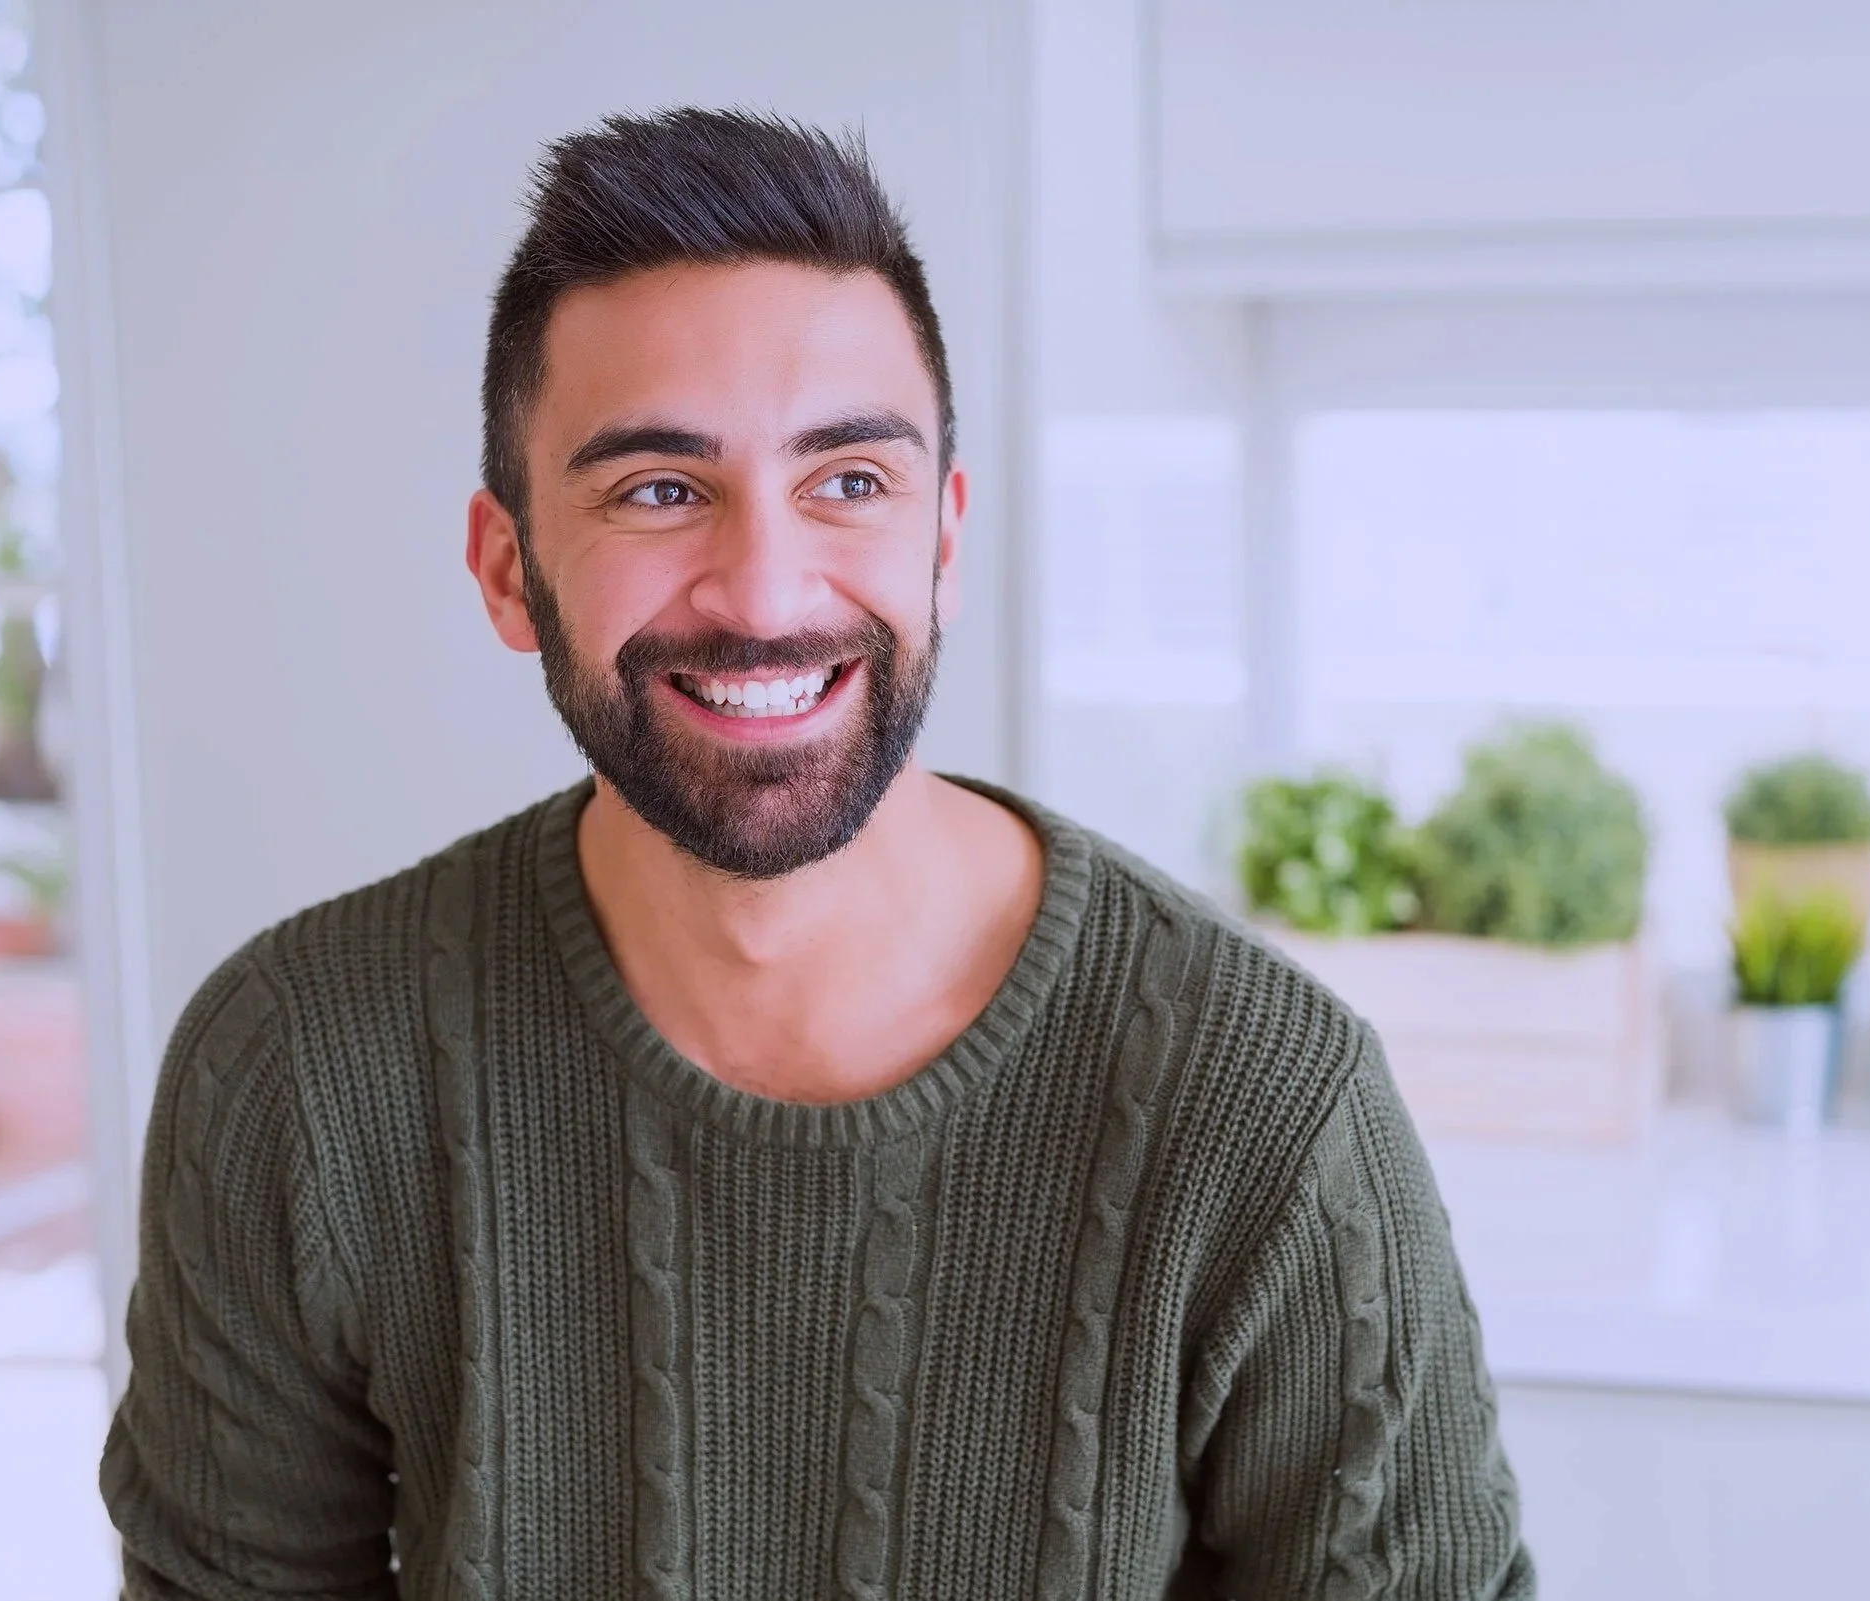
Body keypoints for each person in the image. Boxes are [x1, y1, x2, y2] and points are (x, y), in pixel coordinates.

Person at [100, 107, 1531, 1599]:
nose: (769, 588)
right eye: (660, 488)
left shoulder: (1267, 1107)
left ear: (945, 540)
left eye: (849, 479)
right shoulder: (298, 1068)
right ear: (509, 567)